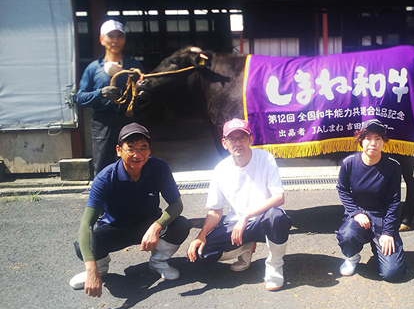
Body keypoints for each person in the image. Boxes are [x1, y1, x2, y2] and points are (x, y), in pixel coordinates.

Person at [69, 122, 191, 297]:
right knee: (85, 244)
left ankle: (158, 262)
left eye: (143, 148)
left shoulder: (159, 168)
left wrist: (156, 227)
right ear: (119, 150)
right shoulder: (105, 178)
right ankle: (99, 270)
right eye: (131, 148)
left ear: (149, 151)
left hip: (148, 227)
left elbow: (176, 205)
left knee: (181, 224)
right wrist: (91, 269)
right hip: (116, 229)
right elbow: (86, 224)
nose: (137, 154)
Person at [186, 118, 292, 291]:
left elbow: (279, 197)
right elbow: (215, 211)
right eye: (232, 139)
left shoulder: (265, 158)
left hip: (262, 219)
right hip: (236, 226)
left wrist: (247, 215)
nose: (237, 143)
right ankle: (244, 248)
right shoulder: (220, 169)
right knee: (200, 257)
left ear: (250, 139)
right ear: (224, 143)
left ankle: (274, 265)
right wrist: (202, 235)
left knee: (277, 216)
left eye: (242, 137)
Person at [336, 119, 408, 282]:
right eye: (368, 138)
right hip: (359, 216)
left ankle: (381, 251)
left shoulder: (392, 166)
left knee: (393, 273)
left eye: (378, 138)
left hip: (382, 218)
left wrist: (388, 232)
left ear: (384, 141)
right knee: (347, 234)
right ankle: (352, 256)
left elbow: (394, 201)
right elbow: (342, 189)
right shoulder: (349, 163)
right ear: (361, 140)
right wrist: (355, 212)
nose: (373, 143)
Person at [76, 19, 145, 176]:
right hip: (103, 121)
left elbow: (146, 89)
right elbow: (80, 97)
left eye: (119, 36)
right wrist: (100, 93)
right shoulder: (93, 68)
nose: (115, 40)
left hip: (129, 119)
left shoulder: (134, 66)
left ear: (124, 39)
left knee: (133, 161)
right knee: (102, 164)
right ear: (102, 39)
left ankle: (132, 195)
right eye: (110, 36)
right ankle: (102, 198)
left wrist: (141, 88)